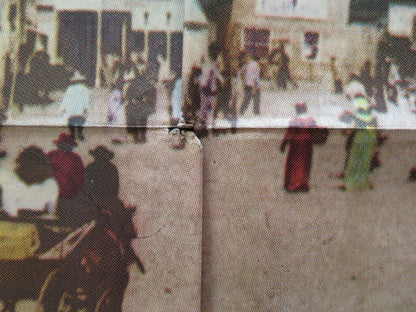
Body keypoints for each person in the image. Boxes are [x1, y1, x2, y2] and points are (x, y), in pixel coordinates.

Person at [0, 146, 59, 218]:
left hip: (39, 224)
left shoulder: (50, 184)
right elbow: (9, 210)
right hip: (13, 223)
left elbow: (51, 213)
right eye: (28, 164)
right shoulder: (11, 181)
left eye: (35, 165)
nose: (31, 169)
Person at [339, 84, 378, 191]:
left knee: (355, 159)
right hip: (370, 134)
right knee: (365, 160)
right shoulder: (369, 104)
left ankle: (351, 183)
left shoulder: (358, 104)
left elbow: (350, 118)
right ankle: (362, 182)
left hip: (361, 134)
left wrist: (349, 122)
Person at [47, 133, 85, 219]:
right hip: (58, 194)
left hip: (67, 195)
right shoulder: (51, 155)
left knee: (59, 218)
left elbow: (80, 177)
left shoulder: (76, 158)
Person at [280, 103, 317, 192]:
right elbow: (315, 132)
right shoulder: (311, 120)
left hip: (296, 144)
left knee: (294, 163)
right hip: (307, 144)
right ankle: (303, 183)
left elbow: (290, 133)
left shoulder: (295, 121)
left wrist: (284, 143)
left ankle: (293, 183)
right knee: (305, 163)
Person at [124, 67, 157, 144]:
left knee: (134, 121)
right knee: (143, 121)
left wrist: (132, 100)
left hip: (135, 106)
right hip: (142, 107)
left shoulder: (132, 84)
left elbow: (127, 96)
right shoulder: (148, 84)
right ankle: (142, 137)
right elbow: (152, 96)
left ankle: (136, 138)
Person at [198, 42, 223, 134]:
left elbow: (217, 73)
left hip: (211, 88)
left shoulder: (215, 61)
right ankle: (204, 126)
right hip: (206, 87)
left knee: (209, 107)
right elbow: (206, 73)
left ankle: (209, 126)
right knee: (205, 107)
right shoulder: (208, 62)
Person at [61, 71, 91, 141]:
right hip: (80, 109)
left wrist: (63, 108)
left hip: (71, 109)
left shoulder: (70, 88)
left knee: (71, 122)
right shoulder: (84, 89)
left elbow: (66, 99)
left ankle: (73, 135)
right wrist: (86, 108)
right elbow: (86, 99)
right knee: (80, 122)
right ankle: (80, 134)